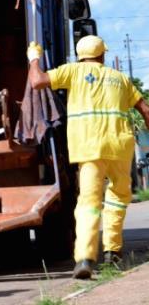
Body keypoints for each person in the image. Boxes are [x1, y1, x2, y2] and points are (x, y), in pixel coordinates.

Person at [27, 35, 149, 280]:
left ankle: (85, 258)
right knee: (117, 199)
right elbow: (145, 110)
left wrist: (34, 58)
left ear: (80, 55)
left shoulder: (72, 71)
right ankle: (112, 252)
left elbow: (37, 81)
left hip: (89, 147)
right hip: (119, 147)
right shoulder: (121, 78)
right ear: (102, 55)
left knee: (89, 204)